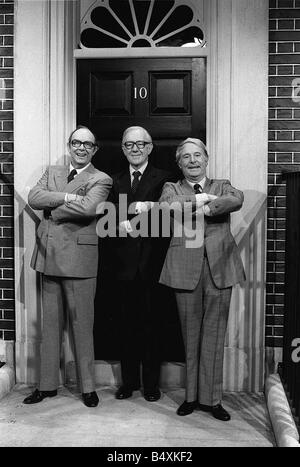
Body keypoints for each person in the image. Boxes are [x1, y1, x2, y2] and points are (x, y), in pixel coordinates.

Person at [23, 126, 112, 408]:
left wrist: (53, 207)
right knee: (49, 328)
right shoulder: (53, 172)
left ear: (94, 149)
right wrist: (68, 197)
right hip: (49, 256)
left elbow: (88, 208)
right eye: (76, 143)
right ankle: (47, 385)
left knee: (82, 326)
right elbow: (35, 198)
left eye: (87, 144)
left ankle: (88, 388)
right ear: (69, 145)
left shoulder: (102, 178)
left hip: (80, 260)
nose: (81, 148)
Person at [159, 138, 245, 421]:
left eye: (198, 155)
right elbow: (166, 206)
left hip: (220, 267)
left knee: (215, 335)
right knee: (190, 335)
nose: (193, 161)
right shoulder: (172, 188)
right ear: (179, 163)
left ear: (206, 158)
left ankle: (212, 399)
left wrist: (208, 207)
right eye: (186, 157)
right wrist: (197, 199)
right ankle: (192, 397)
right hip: (184, 268)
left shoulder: (222, 184)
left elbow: (235, 199)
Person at [107, 126, 172, 402]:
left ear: (150, 147)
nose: (135, 149)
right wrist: (120, 225)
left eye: (140, 144)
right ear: (122, 148)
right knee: (125, 326)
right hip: (122, 266)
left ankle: (151, 385)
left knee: (152, 326)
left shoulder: (165, 180)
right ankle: (128, 383)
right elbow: (107, 222)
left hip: (153, 264)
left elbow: (168, 219)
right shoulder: (114, 180)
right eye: (129, 144)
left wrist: (133, 220)